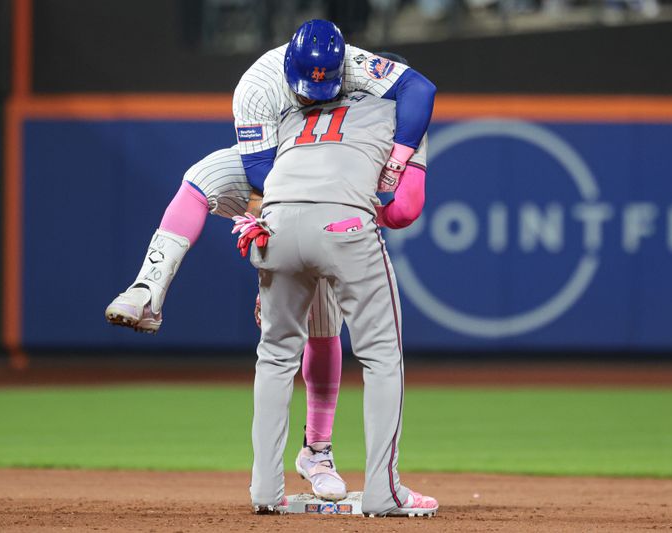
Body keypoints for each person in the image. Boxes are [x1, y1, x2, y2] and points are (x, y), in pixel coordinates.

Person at [105, 17, 434, 502]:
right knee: (202, 178)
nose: (319, 94)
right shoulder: (259, 87)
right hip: (282, 189)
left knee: (313, 331)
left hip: (309, 202)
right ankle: (147, 288)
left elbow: (414, 93)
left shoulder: (365, 76)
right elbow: (263, 173)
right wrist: (280, 224)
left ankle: (312, 453)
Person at [241, 37, 436, 515]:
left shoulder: (293, 108)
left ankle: (265, 492)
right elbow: (405, 209)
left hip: (275, 221)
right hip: (344, 226)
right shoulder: (400, 116)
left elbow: (260, 175)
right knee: (381, 358)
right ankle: (383, 492)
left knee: (274, 359)